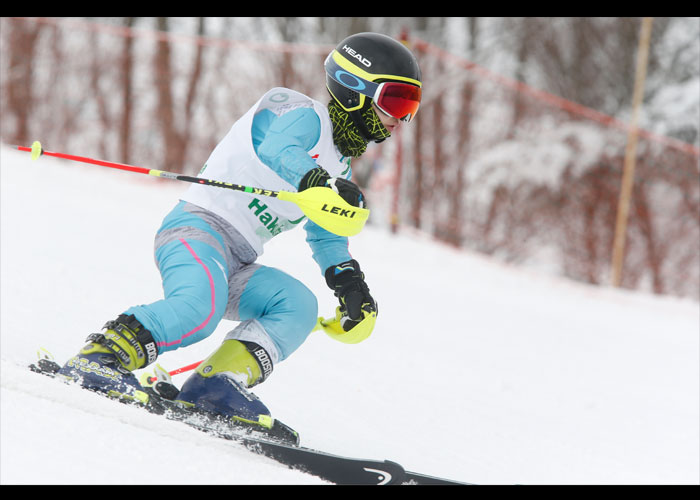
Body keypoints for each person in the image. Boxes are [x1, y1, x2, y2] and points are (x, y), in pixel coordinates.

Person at [58, 32, 423, 430]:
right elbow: (278, 149)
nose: (399, 119)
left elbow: (326, 234)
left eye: (410, 109)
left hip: (240, 259)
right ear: (355, 88)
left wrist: (352, 287)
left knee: (297, 305)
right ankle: (102, 356)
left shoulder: (342, 166)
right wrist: (317, 181)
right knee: (201, 308)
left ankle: (215, 387)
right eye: (394, 102)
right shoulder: (302, 114)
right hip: (198, 229)